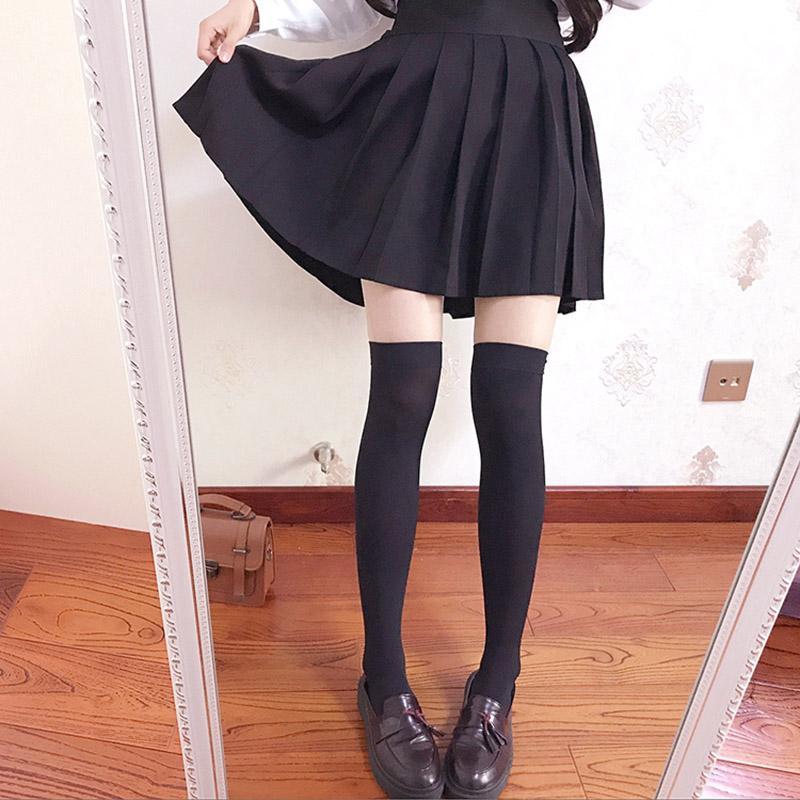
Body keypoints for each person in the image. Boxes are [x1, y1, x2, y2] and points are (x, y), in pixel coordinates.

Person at [173, 0, 653, 797]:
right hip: (415, 106)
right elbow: (351, 5)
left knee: (509, 399)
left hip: (532, 114)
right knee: (402, 392)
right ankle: (384, 677)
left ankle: (497, 680)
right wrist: (257, 8)